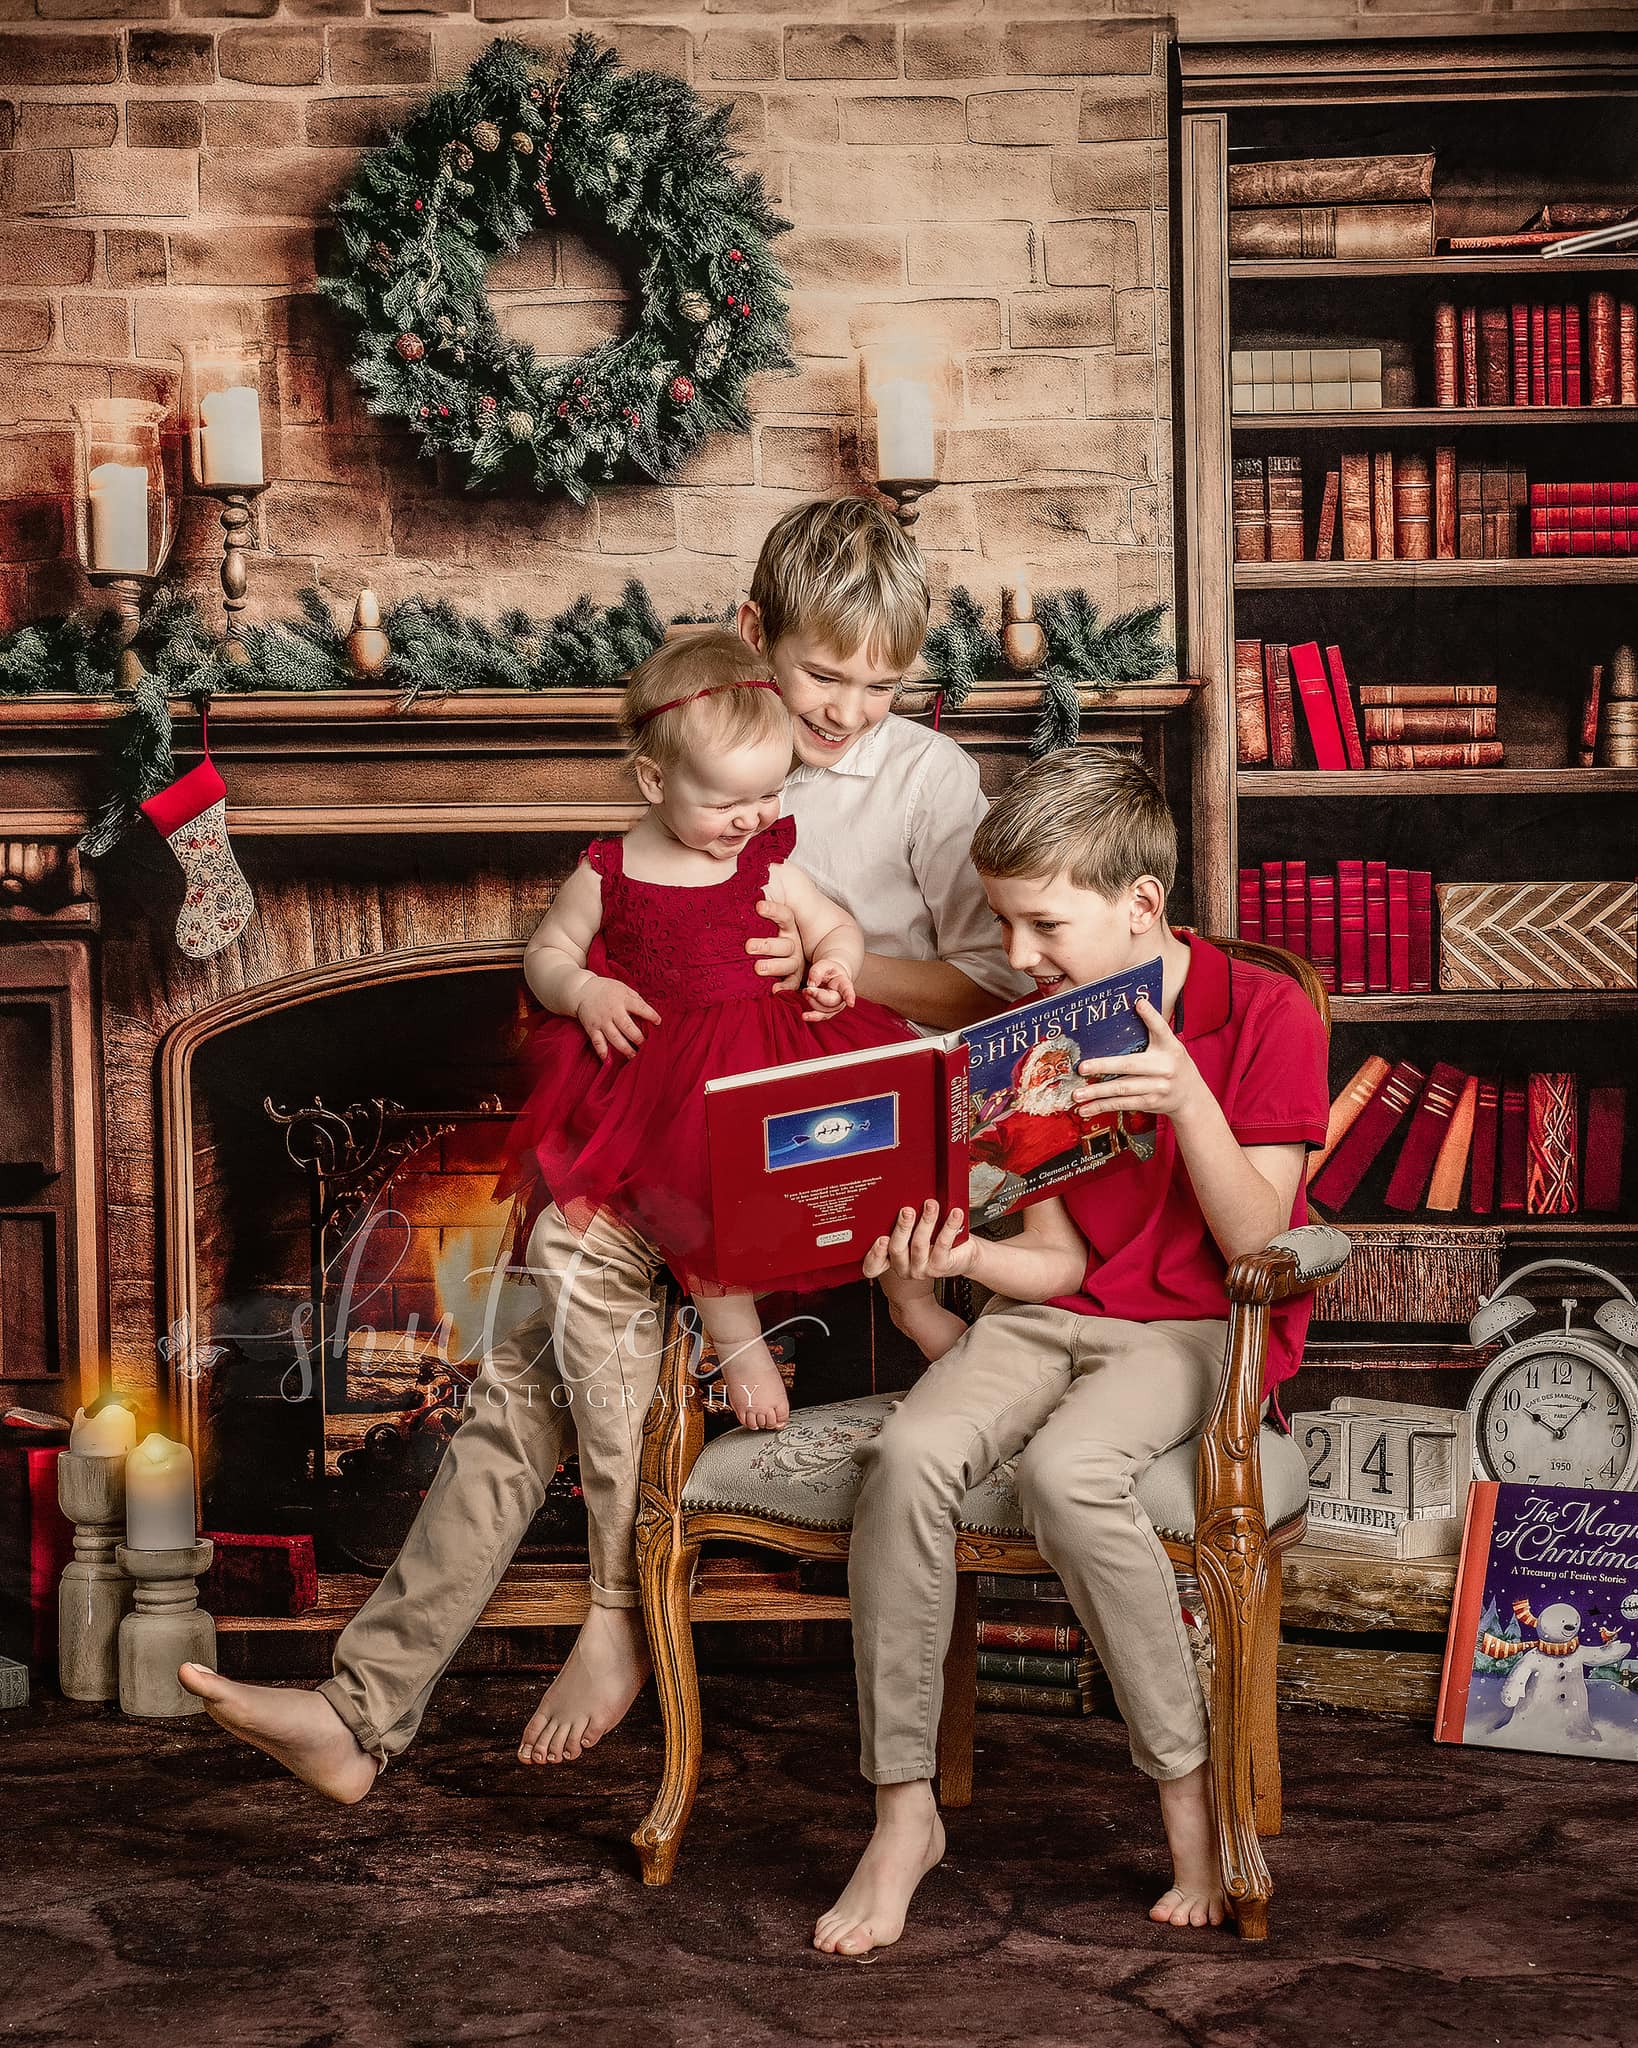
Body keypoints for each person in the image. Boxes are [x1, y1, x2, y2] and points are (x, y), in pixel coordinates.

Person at [178, 495, 1024, 1799]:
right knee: (538, 1331)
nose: (848, 708)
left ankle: (609, 1623)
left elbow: (986, 991)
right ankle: (363, 1713)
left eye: (878, 682)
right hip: (698, 1156)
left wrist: (837, 958)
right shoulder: (701, 754)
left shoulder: (927, 781)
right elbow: (606, 938)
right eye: (819, 674)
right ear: (754, 636)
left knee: (565, 1300)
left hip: (842, 1155)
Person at [813, 745, 1329, 1957]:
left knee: (1066, 1474)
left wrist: (1188, 1099)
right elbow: (1049, 1253)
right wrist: (959, 1266)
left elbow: (1265, 1241)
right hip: (1058, 1311)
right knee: (911, 1453)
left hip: (1203, 1324)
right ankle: (901, 1816)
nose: (1022, 956)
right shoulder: (1038, 1029)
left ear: (1140, 904)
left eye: (1043, 924)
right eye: (1006, 924)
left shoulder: (1266, 1012)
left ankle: (1186, 1796)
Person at [497, 630, 918, 1434]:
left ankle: (910, 1294)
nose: (749, 819)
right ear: (655, 780)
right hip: (672, 1081)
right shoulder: (609, 871)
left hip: (782, 1053)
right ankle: (740, 1343)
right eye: (725, 802)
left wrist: (834, 964)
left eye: (767, 795)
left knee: (875, 1155)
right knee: (697, 1190)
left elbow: (838, 926)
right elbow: (545, 951)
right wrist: (582, 988)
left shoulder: (765, 862)